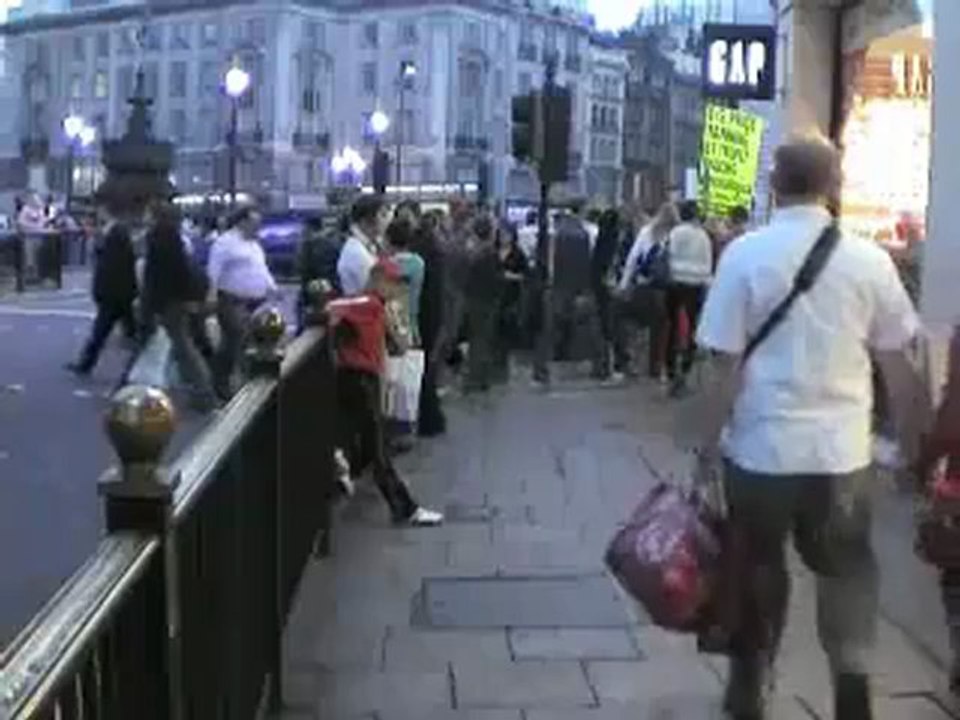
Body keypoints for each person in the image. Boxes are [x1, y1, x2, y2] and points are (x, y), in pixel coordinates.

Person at [693, 135, 927, 720]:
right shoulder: (868, 260)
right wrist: (913, 449)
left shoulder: (744, 256)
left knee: (757, 565)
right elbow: (901, 364)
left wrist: (703, 449)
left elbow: (722, 367)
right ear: (833, 185)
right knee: (846, 569)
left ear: (774, 182)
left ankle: (751, 678)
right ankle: (851, 680)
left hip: (758, 451)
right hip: (841, 456)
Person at [328, 259, 443, 527]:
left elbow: (400, 344)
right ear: (378, 279)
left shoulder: (378, 307)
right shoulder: (366, 303)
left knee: (356, 441)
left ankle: (341, 476)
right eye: (393, 283)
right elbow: (334, 307)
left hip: (361, 378)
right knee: (377, 449)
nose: (398, 289)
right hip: (359, 380)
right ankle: (405, 508)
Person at [141, 203, 218, 411]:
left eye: (149, 213)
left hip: (168, 301)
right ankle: (197, 389)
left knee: (183, 346)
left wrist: (151, 306)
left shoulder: (157, 239)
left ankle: (203, 392)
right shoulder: (173, 237)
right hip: (175, 299)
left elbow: (157, 277)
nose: (145, 216)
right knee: (180, 344)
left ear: (157, 216)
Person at [207, 207, 278, 400]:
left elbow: (261, 268)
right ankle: (221, 382)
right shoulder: (225, 243)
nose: (259, 227)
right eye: (255, 223)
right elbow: (213, 270)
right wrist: (211, 295)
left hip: (255, 301)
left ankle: (242, 380)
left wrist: (271, 286)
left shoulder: (254, 245)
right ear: (242, 222)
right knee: (235, 337)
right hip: (231, 299)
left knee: (246, 341)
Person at [533, 201, 603, 384]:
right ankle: (601, 367)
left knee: (548, 330)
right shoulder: (587, 233)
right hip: (580, 287)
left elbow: (549, 261)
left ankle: (540, 371)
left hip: (558, 287)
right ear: (581, 211)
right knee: (593, 327)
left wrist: (549, 282)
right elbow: (591, 261)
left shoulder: (556, 233)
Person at [67, 203, 138, 377]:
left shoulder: (117, 233)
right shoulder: (114, 231)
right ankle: (86, 364)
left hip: (115, 293)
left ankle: (87, 364)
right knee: (120, 331)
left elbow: (113, 266)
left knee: (105, 330)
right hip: (119, 293)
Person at [615, 202, 678, 379]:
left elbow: (633, 259)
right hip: (668, 288)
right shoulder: (675, 234)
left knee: (631, 321)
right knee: (661, 330)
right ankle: (656, 367)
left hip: (644, 286)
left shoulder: (647, 232)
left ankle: (631, 362)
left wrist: (624, 285)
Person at [664, 200, 713, 396]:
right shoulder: (703, 236)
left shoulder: (675, 233)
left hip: (675, 282)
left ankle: (670, 369)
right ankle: (686, 367)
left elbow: (668, 254)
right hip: (696, 285)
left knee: (673, 325)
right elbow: (708, 263)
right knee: (692, 327)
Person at [412, 210, 448, 437]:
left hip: (422, 315)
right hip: (435, 314)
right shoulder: (438, 254)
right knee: (429, 367)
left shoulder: (417, 260)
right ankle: (432, 417)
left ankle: (426, 417)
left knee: (420, 366)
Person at [463, 214, 503, 392]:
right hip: (486, 302)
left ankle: (475, 376)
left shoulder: (473, 252)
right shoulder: (490, 253)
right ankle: (479, 378)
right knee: (482, 340)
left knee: (476, 340)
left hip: (473, 300)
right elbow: (496, 279)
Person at [591, 208, 623, 381]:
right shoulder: (616, 240)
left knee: (603, 325)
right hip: (611, 286)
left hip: (599, 286)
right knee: (613, 326)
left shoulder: (600, 240)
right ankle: (613, 364)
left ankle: (603, 364)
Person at [337, 194, 390, 297]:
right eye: (383, 215)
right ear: (366, 219)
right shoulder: (356, 252)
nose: (387, 221)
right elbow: (378, 290)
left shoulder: (370, 245)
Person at [385, 216, 425, 348]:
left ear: (389, 239)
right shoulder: (418, 263)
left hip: (389, 327)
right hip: (412, 324)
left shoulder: (383, 265)